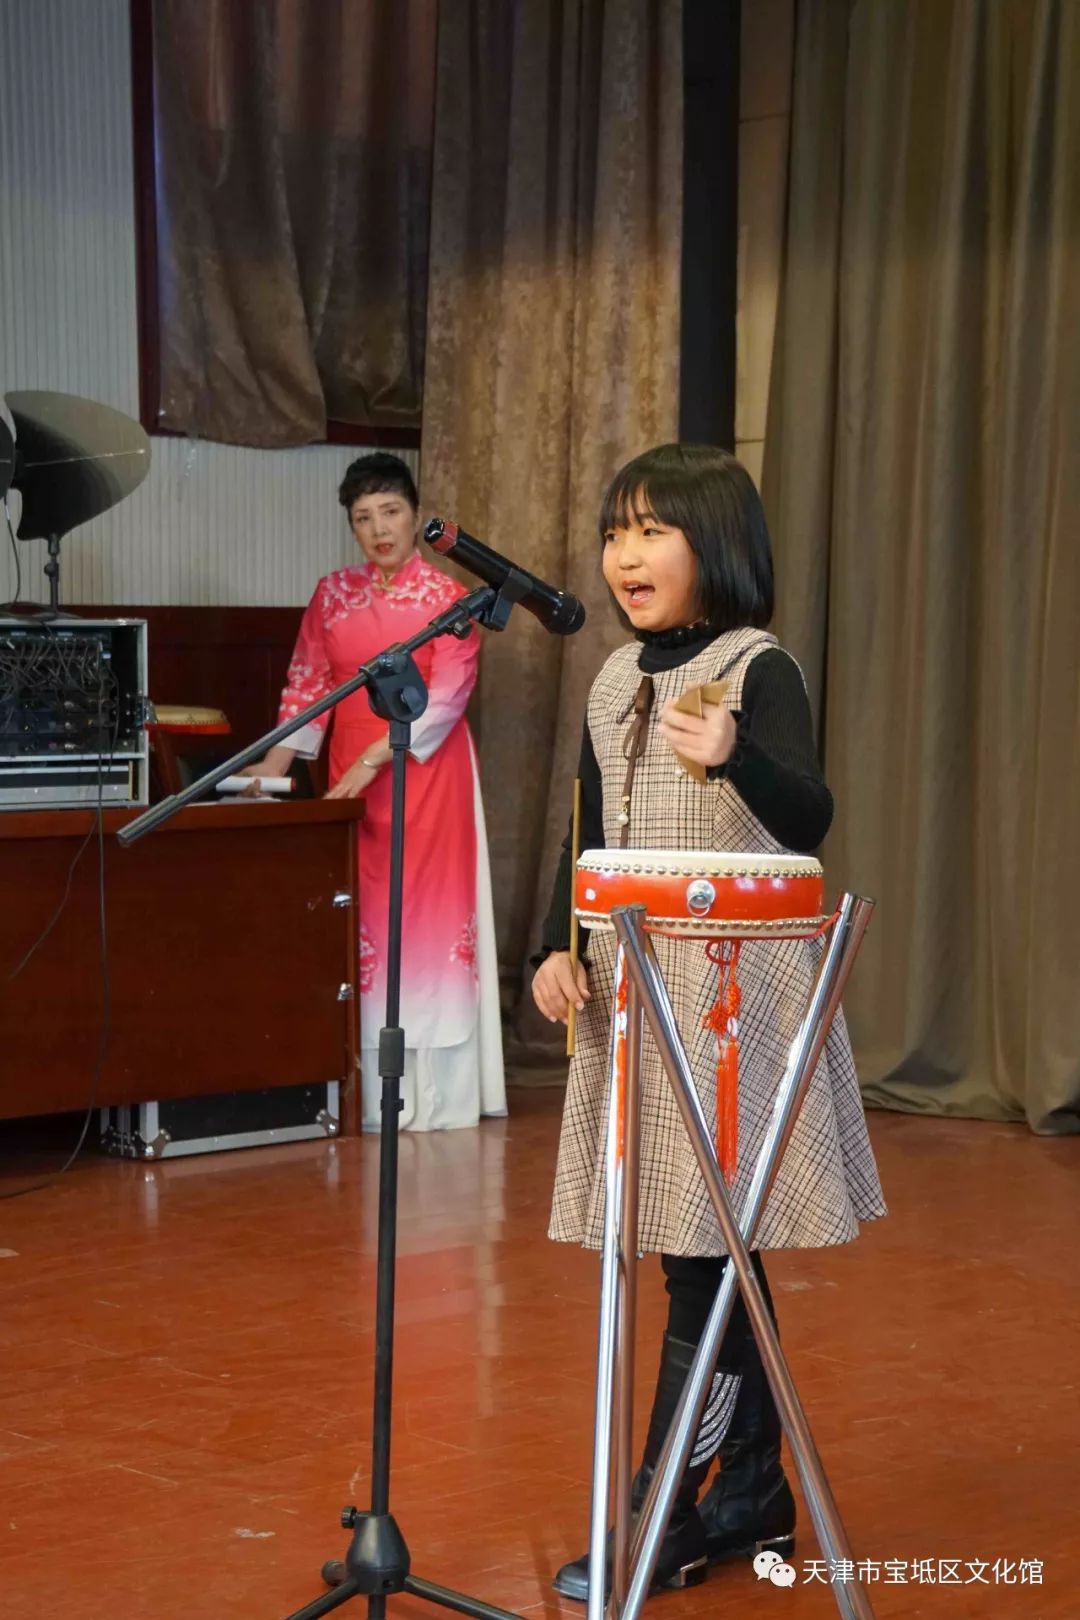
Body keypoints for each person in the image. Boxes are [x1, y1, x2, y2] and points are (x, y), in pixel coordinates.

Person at [532, 443, 885, 1599]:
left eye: (652, 531)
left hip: (732, 1002)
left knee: (700, 1254)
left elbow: (809, 817)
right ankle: (750, 1491)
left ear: (716, 545)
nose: (625, 555)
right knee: (706, 1248)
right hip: (637, 991)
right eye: (615, 532)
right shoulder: (608, 681)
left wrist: (734, 757)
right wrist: (556, 947)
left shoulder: (757, 668)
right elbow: (590, 834)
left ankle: (663, 1515)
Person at [246, 453, 505, 1132]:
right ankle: (367, 1091)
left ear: (416, 515)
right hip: (351, 779)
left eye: (391, 512)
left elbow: (447, 697)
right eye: (363, 518)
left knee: (429, 916)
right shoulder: (331, 595)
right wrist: (270, 771)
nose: (379, 529)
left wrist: (370, 760)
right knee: (366, 919)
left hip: (428, 770)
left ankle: (439, 1096)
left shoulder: (450, 598)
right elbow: (307, 688)